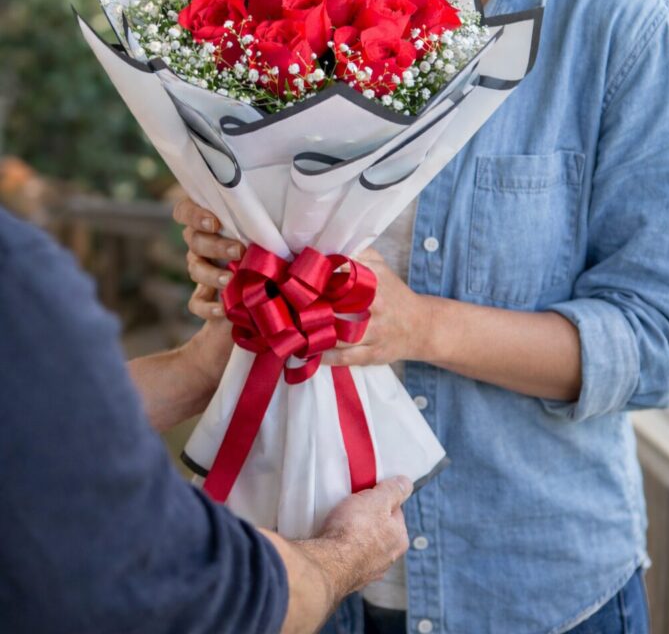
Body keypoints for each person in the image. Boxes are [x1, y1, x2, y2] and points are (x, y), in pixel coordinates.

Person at [178, 0, 669, 634]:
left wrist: (421, 328)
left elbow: (656, 339)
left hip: (533, 589)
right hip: (308, 567)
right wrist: (227, 248)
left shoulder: (619, 27)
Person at [0, 203, 412, 634]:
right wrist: (342, 558)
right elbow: (178, 585)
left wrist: (197, 368)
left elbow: (40, 428)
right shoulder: (17, 279)